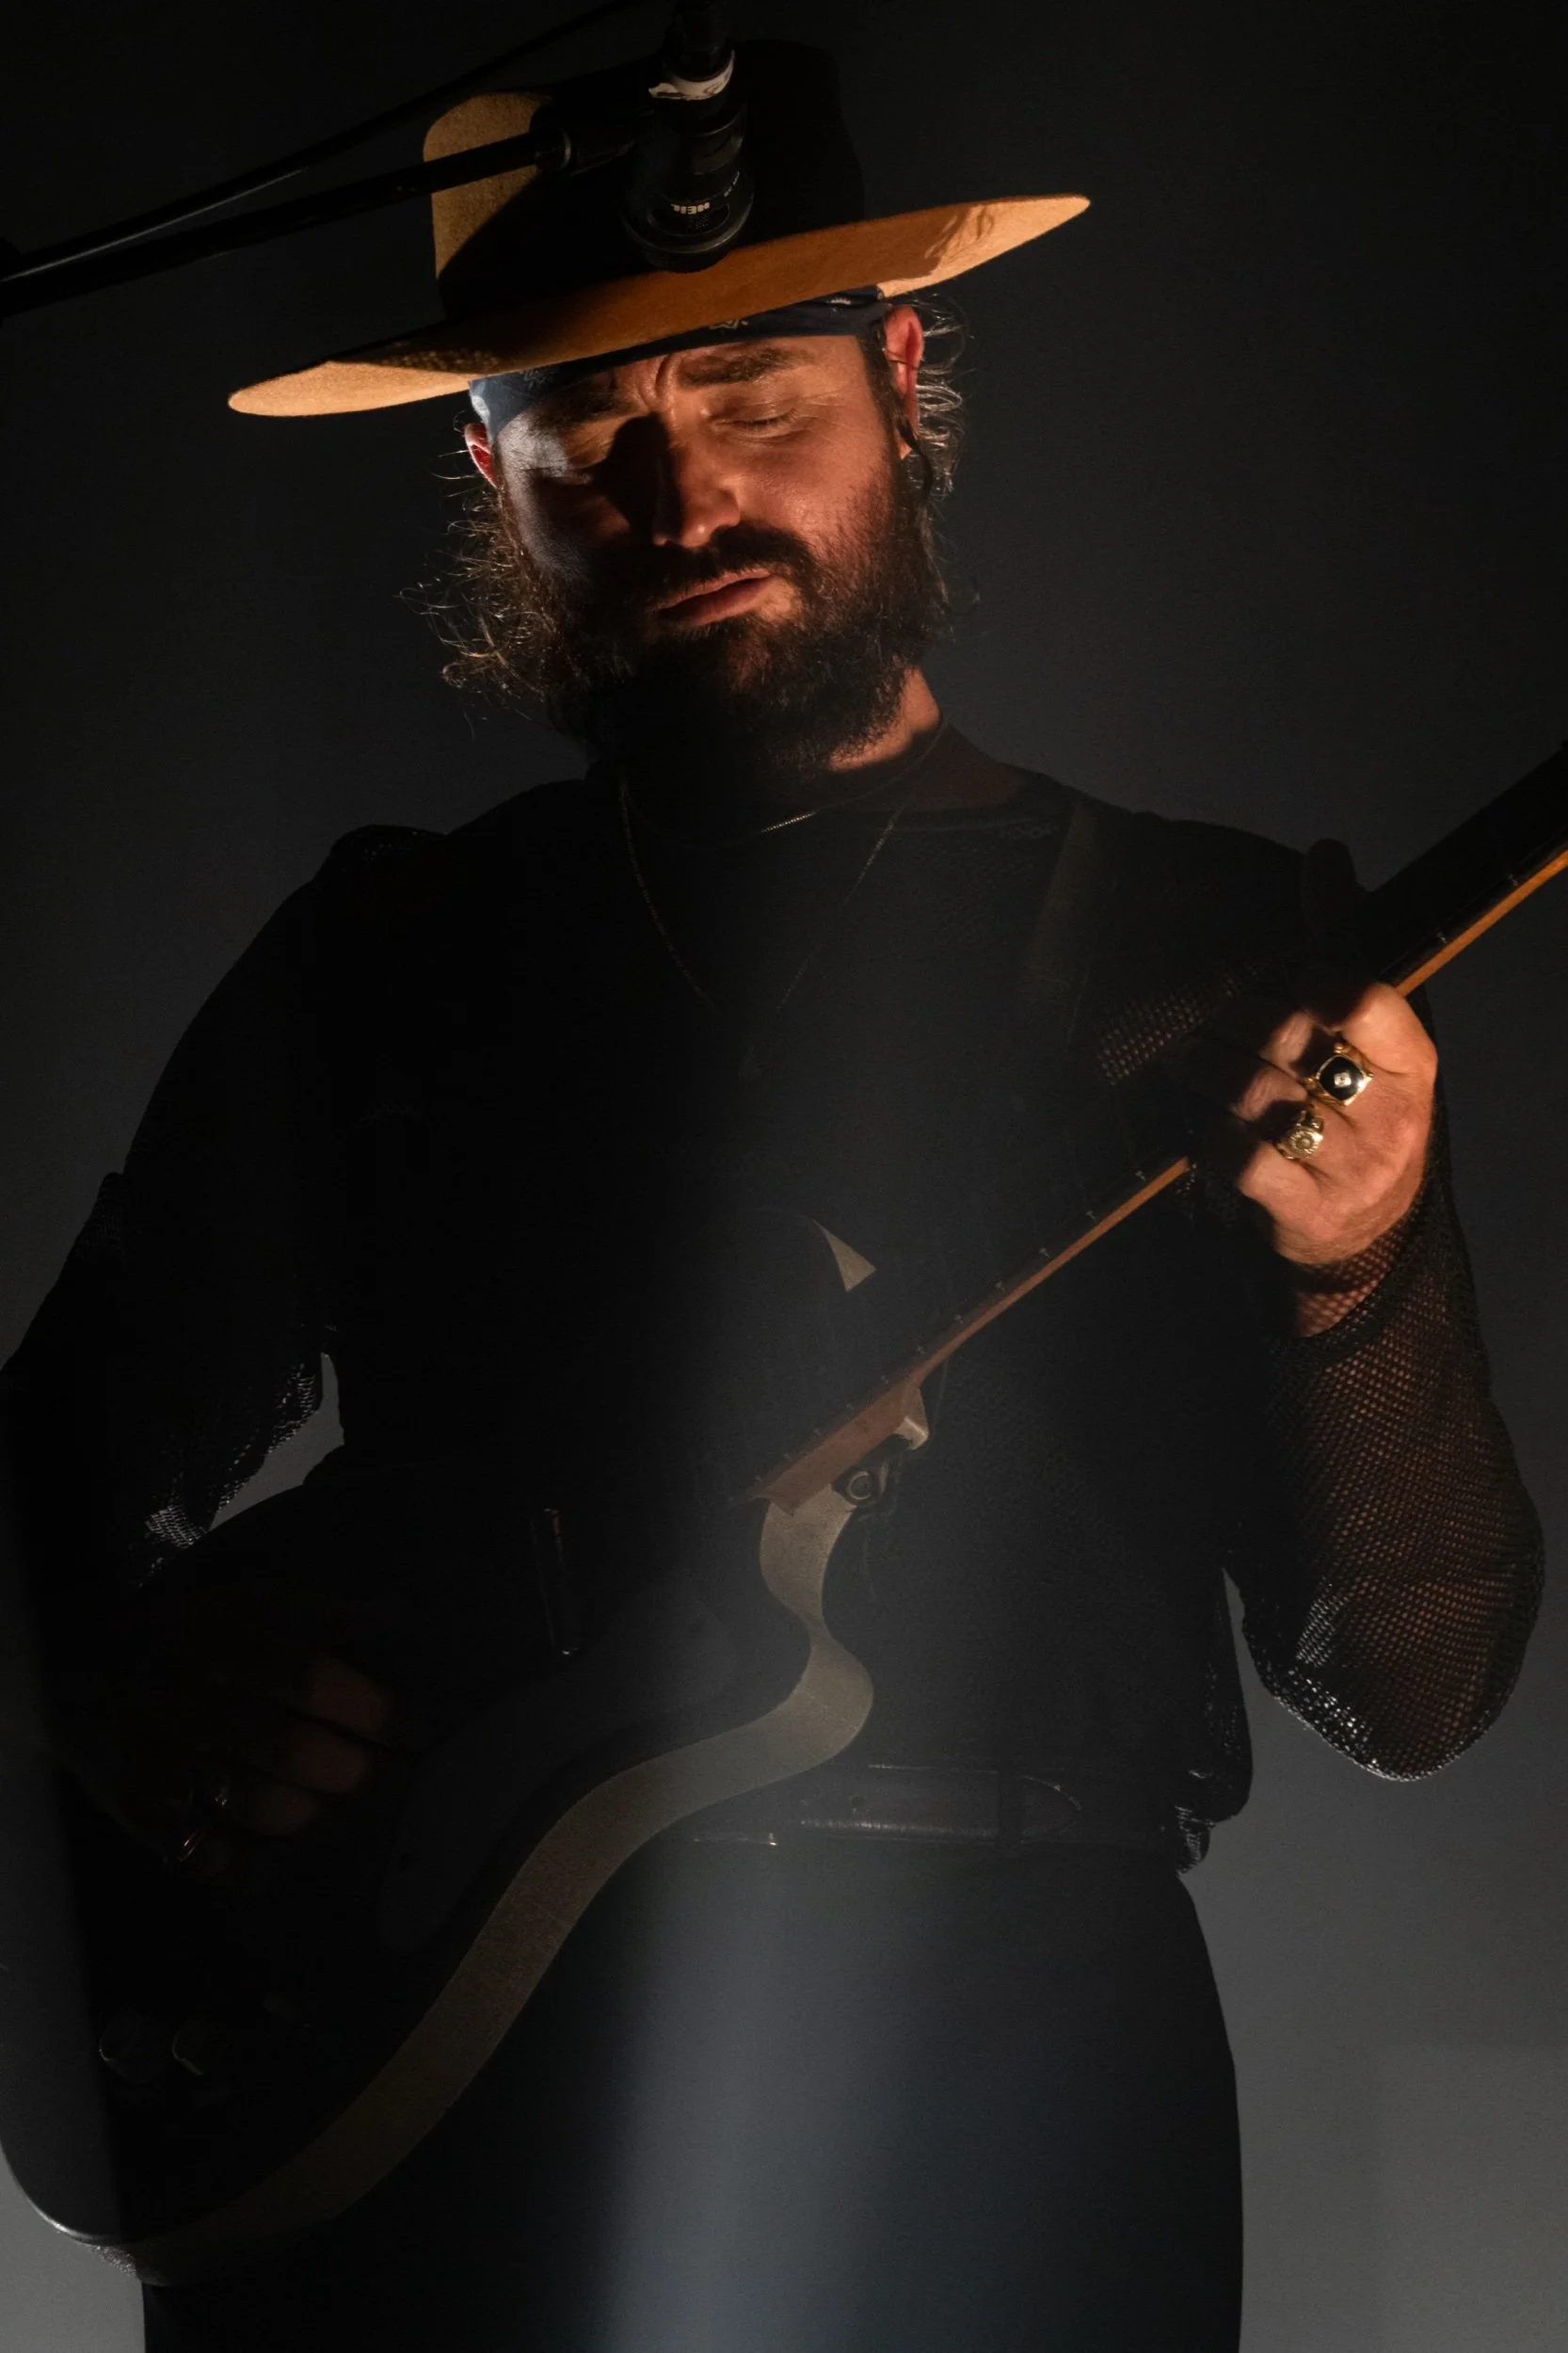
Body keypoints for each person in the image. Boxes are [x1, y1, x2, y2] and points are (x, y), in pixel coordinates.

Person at [0, 33, 1542, 2353]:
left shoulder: (1206, 940)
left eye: (751, 396)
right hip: (397, 2090)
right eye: (582, 434)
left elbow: (1413, 1679)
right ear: (486, 468)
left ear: (900, 382)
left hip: (1018, 2057)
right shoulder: (394, 945)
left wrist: (1354, 1270)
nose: (682, 488)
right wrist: (137, 1697)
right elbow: (35, 1495)